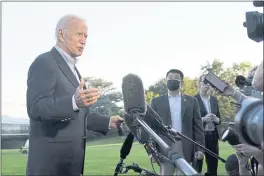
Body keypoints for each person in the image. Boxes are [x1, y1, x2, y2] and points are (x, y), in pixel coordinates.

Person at [26, 14, 123, 176]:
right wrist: (73, 102)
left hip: (71, 166)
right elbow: (36, 108)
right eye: (79, 34)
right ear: (61, 34)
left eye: (86, 36)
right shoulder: (44, 62)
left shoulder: (74, 70)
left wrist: (108, 122)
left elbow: (79, 115)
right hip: (50, 168)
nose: (84, 40)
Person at [149, 69, 205, 175]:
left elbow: (198, 127)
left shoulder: (192, 101)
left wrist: (200, 149)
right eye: (170, 78)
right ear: (165, 81)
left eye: (176, 78)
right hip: (164, 145)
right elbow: (152, 128)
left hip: (185, 144)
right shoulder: (156, 102)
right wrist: (151, 151)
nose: (172, 80)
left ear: (182, 82)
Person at [194, 74, 221, 176]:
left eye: (210, 83)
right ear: (199, 84)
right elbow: (191, 120)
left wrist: (216, 119)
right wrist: (203, 119)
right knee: (197, 168)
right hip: (199, 137)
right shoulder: (193, 99)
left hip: (213, 137)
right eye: (205, 82)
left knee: (213, 168)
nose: (208, 85)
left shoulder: (214, 100)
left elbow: (219, 120)